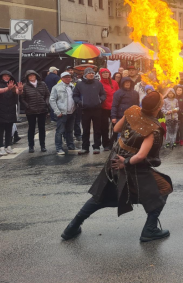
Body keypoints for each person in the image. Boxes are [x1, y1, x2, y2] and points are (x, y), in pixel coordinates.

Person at [60, 92, 172, 242]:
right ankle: (150, 230)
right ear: (157, 108)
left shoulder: (132, 110)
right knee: (164, 187)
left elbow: (117, 128)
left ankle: (71, 228)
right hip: (129, 165)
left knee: (101, 196)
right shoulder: (152, 128)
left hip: (114, 159)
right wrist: (125, 162)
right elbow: (140, 156)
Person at [73, 68, 107, 154]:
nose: (91, 74)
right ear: (85, 74)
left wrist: (100, 101)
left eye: (92, 73)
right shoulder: (79, 84)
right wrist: (80, 103)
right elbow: (75, 95)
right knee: (85, 130)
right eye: (89, 73)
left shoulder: (98, 83)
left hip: (97, 109)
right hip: (85, 110)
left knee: (97, 129)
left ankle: (96, 147)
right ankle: (85, 148)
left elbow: (103, 94)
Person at [20, 70, 50, 153]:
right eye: (30, 76)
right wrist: (27, 106)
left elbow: (48, 94)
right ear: (27, 77)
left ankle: (42, 146)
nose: (32, 77)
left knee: (42, 128)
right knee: (31, 129)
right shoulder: (25, 86)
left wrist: (46, 103)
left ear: (36, 76)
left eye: (33, 75)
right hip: (31, 111)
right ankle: (31, 146)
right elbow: (22, 98)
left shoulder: (43, 84)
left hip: (42, 109)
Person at [0, 71, 20, 156]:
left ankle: (8, 146)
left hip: (10, 110)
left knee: (9, 129)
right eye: (5, 76)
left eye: (8, 76)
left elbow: (18, 92)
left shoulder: (13, 84)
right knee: (0, 130)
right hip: (0, 110)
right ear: (1, 77)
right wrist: (8, 88)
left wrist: (20, 89)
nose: (6, 78)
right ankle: (1, 147)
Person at [49, 72, 77, 155]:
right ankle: (59, 148)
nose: (68, 78)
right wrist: (57, 112)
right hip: (62, 113)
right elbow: (52, 100)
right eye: (65, 77)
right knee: (60, 131)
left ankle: (71, 146)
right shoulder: (56, 87)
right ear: (61, 78)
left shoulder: (73, 86)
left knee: (70, 130)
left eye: (69, 77)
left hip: (72, 112)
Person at [111, 77, 139, 144]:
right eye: (125, 82)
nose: (127, 84)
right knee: (120, 133)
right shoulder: (118, 93)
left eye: (128, 82)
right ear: (122, 83)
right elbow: (114, 105)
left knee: (131, 132)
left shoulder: (135, 93)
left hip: (132, 116)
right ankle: (120, 147)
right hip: (120, 116)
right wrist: (113, 116)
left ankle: (129, 147)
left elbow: (137, 105)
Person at [99, 68, 119, 151]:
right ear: (101, 74)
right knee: (104, 127)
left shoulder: (114, 83)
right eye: (103, 73)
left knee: (116, 127)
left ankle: (113, 142)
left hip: (114, 108)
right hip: (103, 108)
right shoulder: (99, 84)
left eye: (107, 72)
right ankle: (106, 144)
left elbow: (118, 94)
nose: (105, 74)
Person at [67, 66, 83, 143]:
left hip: (77, 103)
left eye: (71, 70)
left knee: (77, 121)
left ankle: (78, 134)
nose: (70, 71)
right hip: (68, 104)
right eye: (69, 70)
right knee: (68, 122)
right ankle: (67, 136)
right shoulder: (62, 80)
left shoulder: (77, 79)